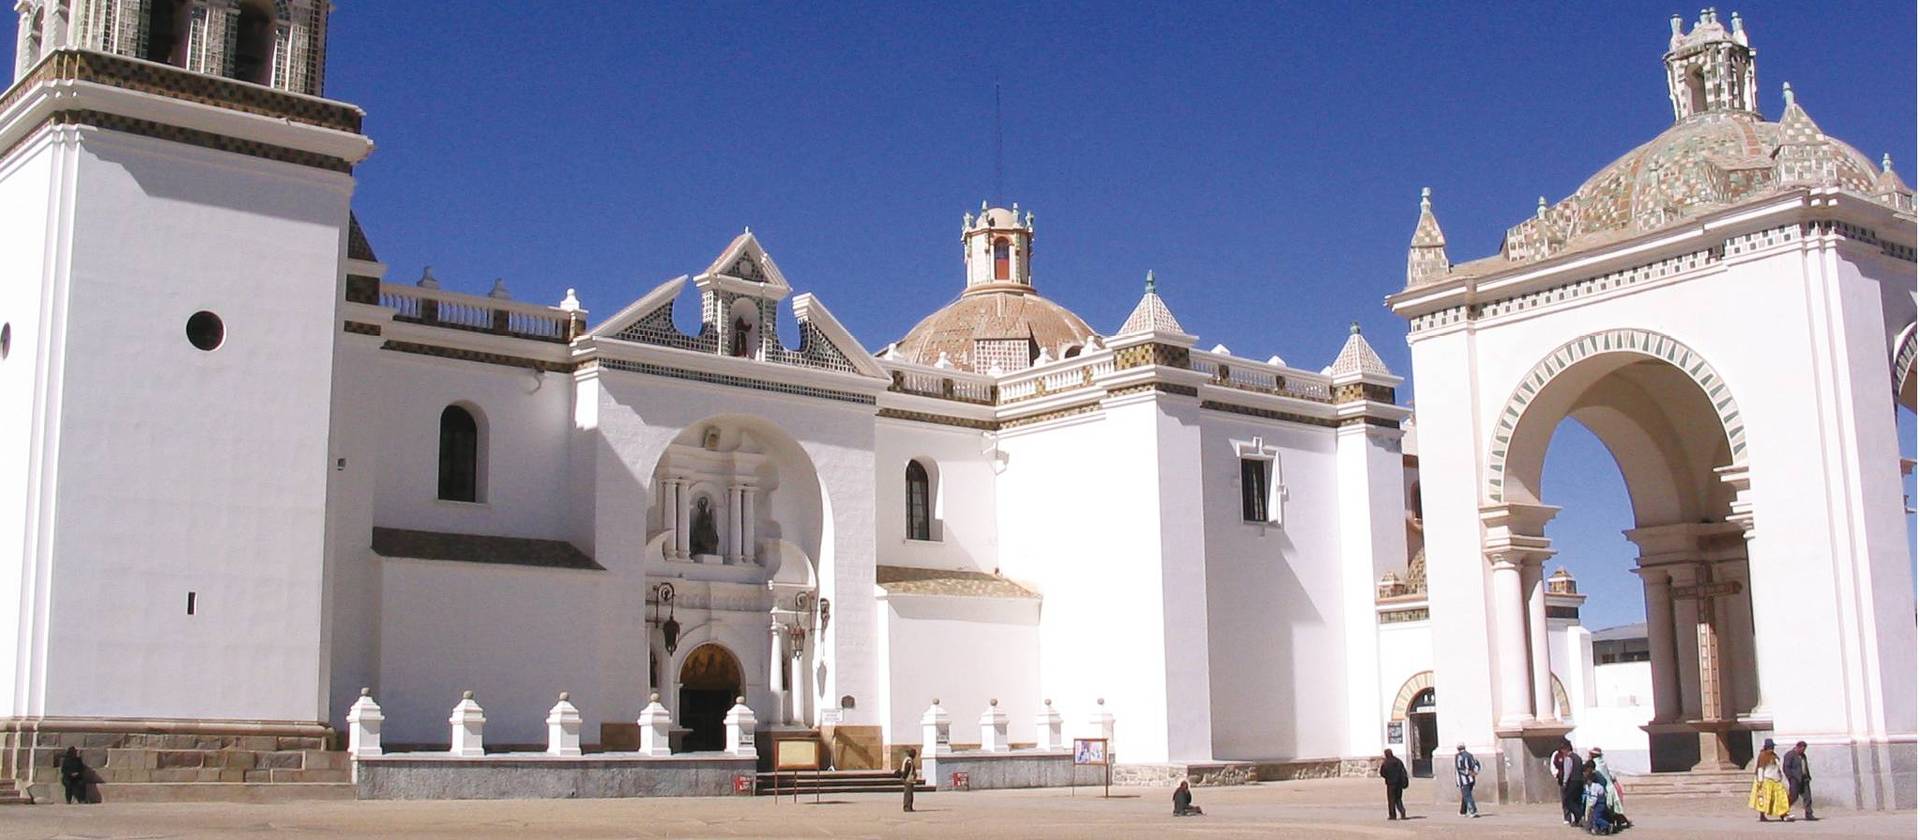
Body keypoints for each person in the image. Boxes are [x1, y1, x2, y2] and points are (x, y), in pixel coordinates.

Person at [1588, 747, 1631, 830]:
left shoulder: (1596, 765)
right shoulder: (1603, 763)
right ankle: (1619, 823)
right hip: (1610, 787)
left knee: (1609, 809)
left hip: (1605, 788)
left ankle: (1610, 824)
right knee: (1614, 808)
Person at [1750, 738, 1790, 821]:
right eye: (1770, 747)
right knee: (1765, 798)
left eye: (1772, 747)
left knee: (1781, 797)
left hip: (1776, 779)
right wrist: (1760, 781)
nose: (1771, 749)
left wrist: (1781, 776)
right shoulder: (1762, 756)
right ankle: (1762, 815)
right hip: (1766, 780)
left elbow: (1778, 767)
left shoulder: (1774, 756)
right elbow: (1760, 768)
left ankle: (1783, 814)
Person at [1551, 739, 1583, 826]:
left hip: (1572, 781)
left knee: (1568, 801)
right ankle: (1577, 820)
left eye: (1563, 749)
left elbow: (1567, 771)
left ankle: (1580, 816)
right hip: (1580, 781)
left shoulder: (1568, 758)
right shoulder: (1578, 757)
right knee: (1577, 801)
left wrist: (1564, 782)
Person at [1783, 740, 1816, 821]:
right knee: (1793, 797)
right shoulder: (1790, 755)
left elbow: (1804, 766)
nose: (1803, 751)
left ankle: (1809, 814)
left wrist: (1807, 775)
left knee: (1807, 797)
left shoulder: (1803, 755)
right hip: (1795, 779)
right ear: (1797, 747)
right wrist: (1791, 777)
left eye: (1804, 749)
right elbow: (1786, 767)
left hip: (1804, 779)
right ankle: (1783, 811)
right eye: (1802, 749)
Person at [1582, 760, 1613, 835]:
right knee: (1596, 816)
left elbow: (1596, 793)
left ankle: (1606, 826)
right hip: (1597, 799)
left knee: (1597, 816)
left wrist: (1591, 804)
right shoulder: (1590, 784)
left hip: (1600, 799)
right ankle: (1598, 828)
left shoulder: (1596, 780)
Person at [1380, 748, 1409, 820]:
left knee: (1391, 800)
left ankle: (1392, 815)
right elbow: (1403, 771)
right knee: (1398, 798)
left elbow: (1382, 773)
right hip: (1399, 783)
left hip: (1390, 784)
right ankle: (1402, 811)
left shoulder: (1386, 763)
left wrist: (1387, 777)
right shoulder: (1398, 761)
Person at [1454, 743, 1480, 817]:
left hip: (1463, 780)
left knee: (1467, 795)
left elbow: (1460, 768)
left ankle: (1473, 811)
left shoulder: (1459, 756)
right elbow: (1476, 764)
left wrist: (1468, 773)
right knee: (1465, 795)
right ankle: (1463, 811)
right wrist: (1475, 773)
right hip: (1471, 779)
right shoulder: (1470, 755)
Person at [899, 748, 918, 813]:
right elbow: (907, 770)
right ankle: (907, 807)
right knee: (908, 794)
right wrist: (903, 777)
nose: (915, 755)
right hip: (908, 779)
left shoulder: (909, 760)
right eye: (915, 754)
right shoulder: (909, 761)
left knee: (910, 794)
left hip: (910, 779)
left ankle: (909, 806)